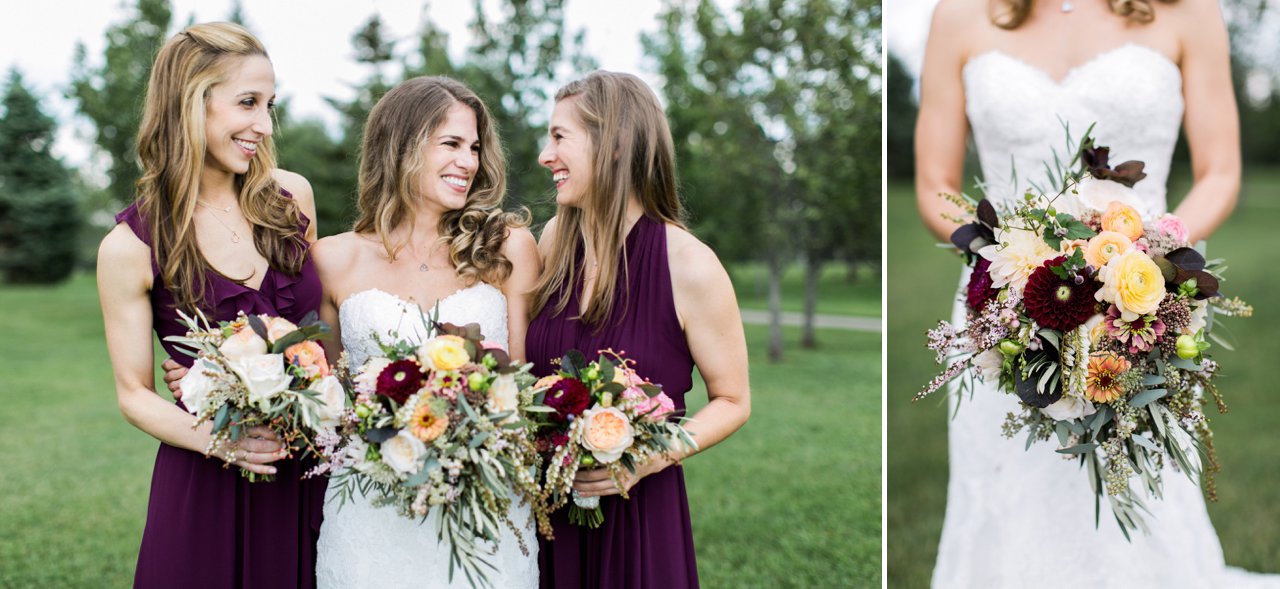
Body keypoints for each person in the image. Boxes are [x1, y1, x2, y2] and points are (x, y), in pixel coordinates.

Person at [915, 1, 1279, 587]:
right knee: (1010, 494)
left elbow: (1220, 171)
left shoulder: (1188, 10)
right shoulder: (958, 14)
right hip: (1003, 302)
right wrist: (1012, 261)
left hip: (1142, 296)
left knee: (1138, 487)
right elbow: (935, 184)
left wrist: (1152, 255)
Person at [97, 22, 324, 588]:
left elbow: (322, 332)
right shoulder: (129, 247)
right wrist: (221, 439)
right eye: (247, 103)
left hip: (305, 475)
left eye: (270, 105)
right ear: (189, 102)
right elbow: (133, 394)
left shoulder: (292, 198)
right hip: (206, 482)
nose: (263, 125)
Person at [307, 76, 542, 587]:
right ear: (401, 146)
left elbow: (522, 386)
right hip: (371, 512)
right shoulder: (332, 259)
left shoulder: (506, 248)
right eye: (451, 144)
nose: (468, 162)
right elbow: (331, 397)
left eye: (474, 148)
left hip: (484, 513)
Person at [526, 70, 752, 589]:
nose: (545, 155)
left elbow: (733, 400)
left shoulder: (689, 264)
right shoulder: (555, 240)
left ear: (614, 143)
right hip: (546, 516)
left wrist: (648, 457)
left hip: (638, 518)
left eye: (559, 137)